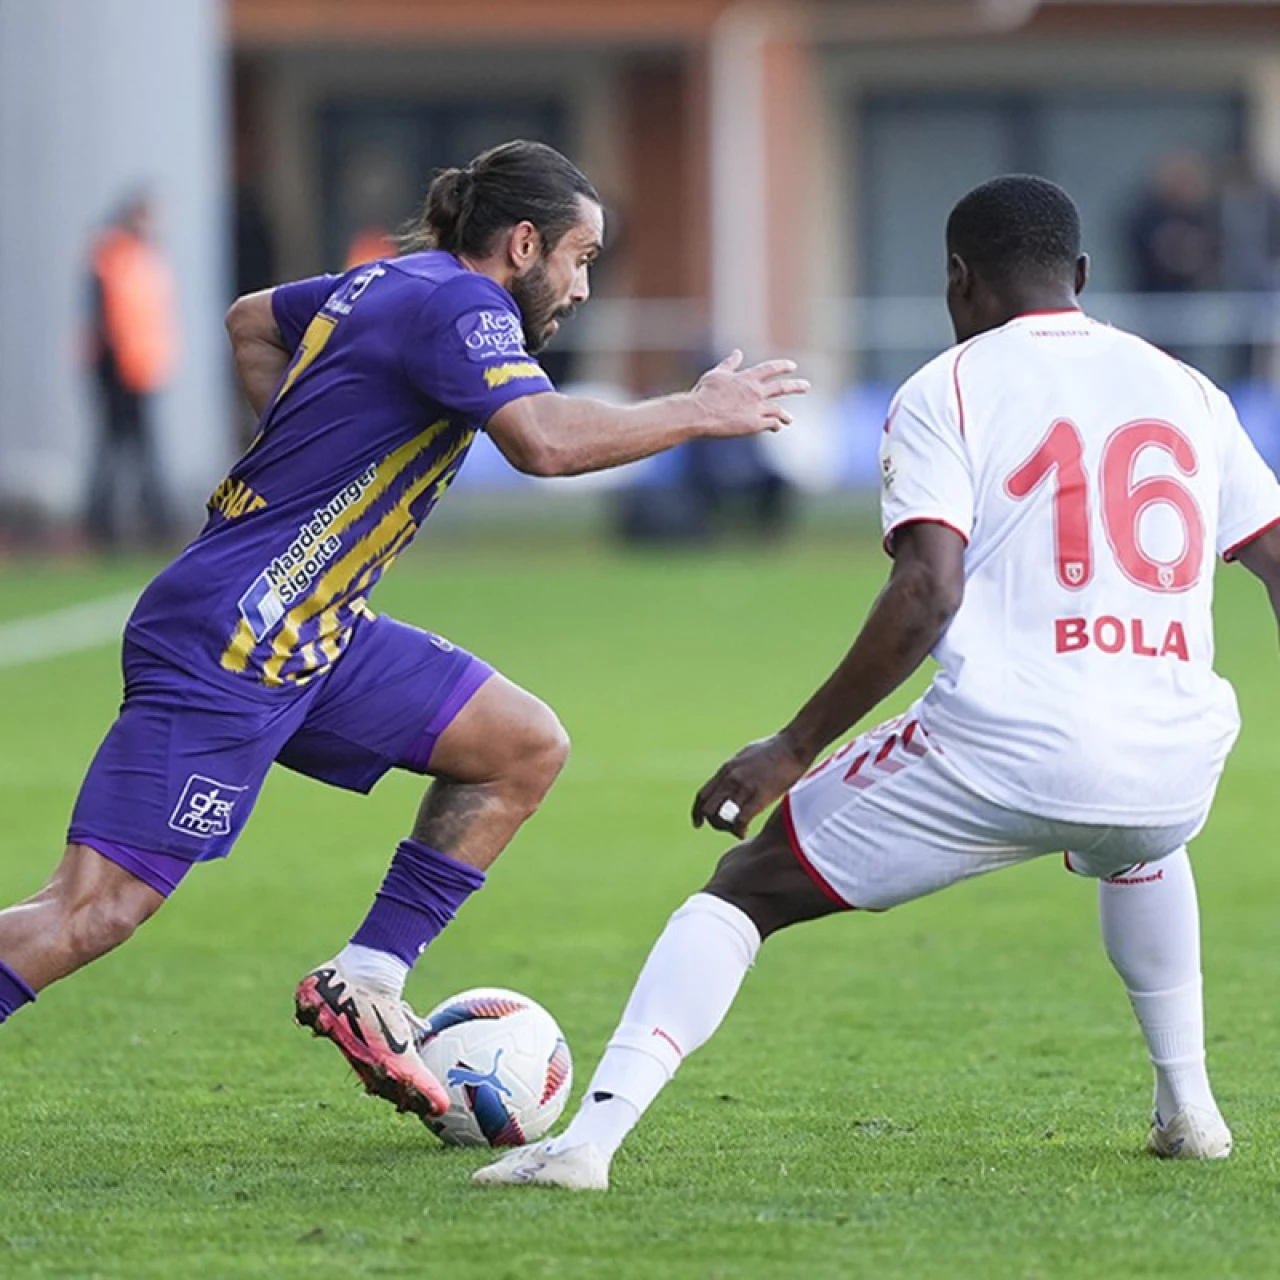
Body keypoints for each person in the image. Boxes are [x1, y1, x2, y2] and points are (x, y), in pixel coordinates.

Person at [476, 174, 1280, 1192]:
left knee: (741, 890)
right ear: (1078, 277)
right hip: (1175, 754)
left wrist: (790, 745)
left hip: (1006, 745)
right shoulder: (1186, 389)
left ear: (957, 280)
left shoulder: (946, 385)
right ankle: (1189, 1110)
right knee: (1139, 840)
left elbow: (925, 590)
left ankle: (587, 1141)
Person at [0, 140, 807, 1125]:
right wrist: (693, 411)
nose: (585, 286)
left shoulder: (387, 278)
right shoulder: (461, 305)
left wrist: (299, 461)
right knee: (92, 911)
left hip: (317, 632)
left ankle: (366, 977)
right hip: (234, 638)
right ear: (522, 244)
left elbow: (251, 320)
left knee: (519, 745)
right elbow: (543, 443)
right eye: (580, 257)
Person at [85, 190, 179, 549]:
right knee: (117, 448)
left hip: (142, 368)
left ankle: (148, 521)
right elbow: (106, 317)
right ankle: (108, 523)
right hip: (118, 370)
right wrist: (114, 366)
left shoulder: (143, 256)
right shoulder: (114, 254)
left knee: (137, 449)